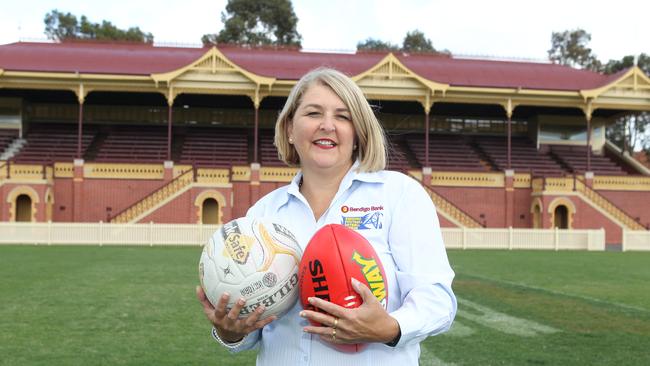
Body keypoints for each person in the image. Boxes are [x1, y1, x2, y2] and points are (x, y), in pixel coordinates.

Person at [197, 67, 457, 365]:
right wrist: (232, 331)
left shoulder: (399, 195)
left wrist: (388, 327)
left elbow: (438, 301)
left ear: (358, 134)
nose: (327, 125)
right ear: (290, 130)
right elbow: (257, 330)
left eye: (343, 116)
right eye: (313, 113)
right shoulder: (264, 214)